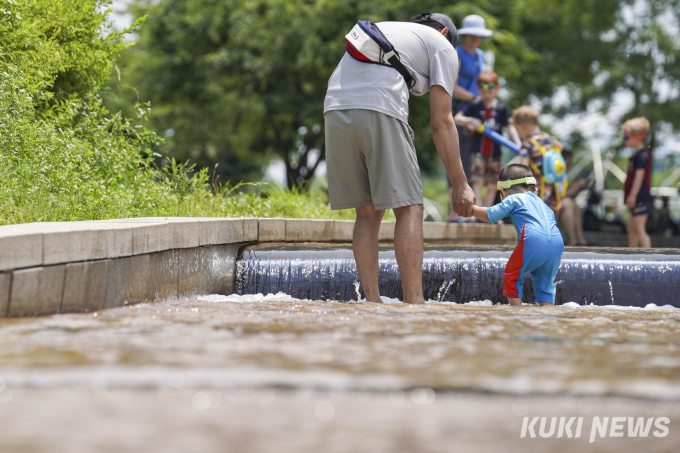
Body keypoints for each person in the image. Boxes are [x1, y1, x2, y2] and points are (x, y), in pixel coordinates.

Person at [324, 14, 475, 304]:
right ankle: (415, 304)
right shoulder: (442, 46)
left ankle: (372, 301)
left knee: (367, 213)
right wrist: (460, 183)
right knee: (409, 208)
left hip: (334, 108)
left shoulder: (393, 31)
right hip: (379, 106)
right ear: (445, 33)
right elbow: (441, 122)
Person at [472, 164, 565, 306]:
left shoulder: (513, 199)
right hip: (557, 242)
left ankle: (516, 313)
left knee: (513, 275)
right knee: (545, 283)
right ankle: (547, 312)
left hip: (533, 241)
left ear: (503, 192)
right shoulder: (544, 204)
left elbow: (490, 215)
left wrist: (470, 210)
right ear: (535, 190)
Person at [448, 14, 493, 222]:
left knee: (476, 162)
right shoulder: (456, 53)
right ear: (464, 35)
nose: (475, 39)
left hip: (477, 114)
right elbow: (451, 86)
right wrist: (475, 97)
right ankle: (454, 213)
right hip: (459, 111)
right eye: (471, 35)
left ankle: (471, 211)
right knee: (457, 159)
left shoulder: (481, 56)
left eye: (479, 35)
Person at [454, 71, 521, 208]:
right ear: (478, 89)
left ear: (497, 89)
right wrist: (470, 120)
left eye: (490, 90)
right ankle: (477, 211)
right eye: (483, 90)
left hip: (495, 153)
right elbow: (457, 118)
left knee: (492, 185)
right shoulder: (476, 106)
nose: (487, 94)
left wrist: (518, 144)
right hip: (478, 151)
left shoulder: (501, 108)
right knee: (477, 182)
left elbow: (510, 126)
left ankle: (488, 214)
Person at [513, 106, 566, 209]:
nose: (519, 134)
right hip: (553, 187)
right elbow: (561, 147)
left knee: (536, 216)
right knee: (550, 216)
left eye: (518, 131)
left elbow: (523, 167)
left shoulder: (528, 144)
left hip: (537, 188)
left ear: (524, 126)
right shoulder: (548, 138)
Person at [622, 117, 652, 248]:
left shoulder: (641, 155)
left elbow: (639, 176)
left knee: (640, 229)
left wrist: (632, 195)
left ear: (637, 137)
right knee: (631, 228)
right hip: (636, 198)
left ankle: (650, 259)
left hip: (639, 198)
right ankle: (632, 255)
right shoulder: (636, 156)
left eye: (627, 137)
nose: (625, 140)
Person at [557, 150, 589, 246]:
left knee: (573, 203)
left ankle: (580, 240)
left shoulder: (562, 176)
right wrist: (574, 188)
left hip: (556, 205)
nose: (569, 168)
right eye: (568, 164)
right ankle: (572, 241)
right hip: (547, 206)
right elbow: (558, 198)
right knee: (568, 203)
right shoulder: (553, 175)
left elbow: (564, 196)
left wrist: (577, 189)